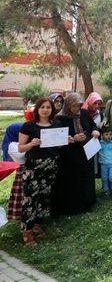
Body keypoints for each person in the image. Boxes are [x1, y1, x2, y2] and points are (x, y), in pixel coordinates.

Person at [18, 98, 62, 245]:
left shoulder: (56, 124)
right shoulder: (29, 126)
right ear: (37, 109)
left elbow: (58, 144)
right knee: (30, 199)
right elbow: (20, 148)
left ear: (52, 109)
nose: (45, 109)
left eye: (48, 107)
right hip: (33, 168)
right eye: (42, 107)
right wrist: (31, 144)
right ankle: (27, 231)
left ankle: (37, 225)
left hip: (51, 166)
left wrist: (66, 139)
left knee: (44, 197)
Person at [52, 93, 99, 216]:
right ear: (68, 105)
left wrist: (94, 130)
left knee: (87, 176)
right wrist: (74, 138)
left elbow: (92, 124)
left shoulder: (83, 113)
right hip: (70, 154)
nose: (77, 108)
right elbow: (57, 137)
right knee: (74, 178)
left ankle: (88, 201)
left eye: (79, 105)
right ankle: (76, 206)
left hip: (87, 149)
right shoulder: (60, 118)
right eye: (74, 106)